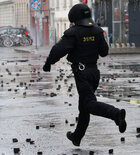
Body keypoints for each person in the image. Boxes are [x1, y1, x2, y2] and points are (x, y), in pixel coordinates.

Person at [42, 3, 127, 146]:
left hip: (82, 73)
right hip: (94, 73)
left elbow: (58, 50)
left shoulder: (73, 33)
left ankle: (116, 114)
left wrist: (49, 63)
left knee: (88, 103)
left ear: (75, 18)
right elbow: (104, 52)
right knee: (84, 107)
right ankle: (77, 137)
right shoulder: (97, 31)